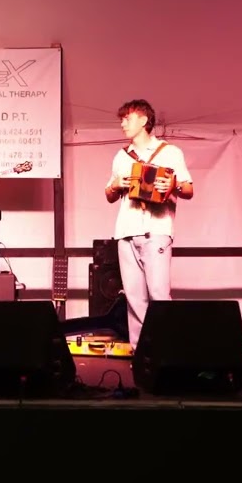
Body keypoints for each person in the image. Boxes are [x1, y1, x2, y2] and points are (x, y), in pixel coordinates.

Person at [103, 99, 193, 349]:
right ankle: (141, 352)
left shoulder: (170, 152)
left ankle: (166, 351)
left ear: (143, 120)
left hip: (157, 230)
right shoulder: (121, 157)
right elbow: (109, 195)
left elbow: (188, 188)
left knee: (159, 296)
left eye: (127, 118)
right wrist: (116, 185)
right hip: (126, 232)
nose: (122, 124)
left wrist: (172, 185)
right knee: (134, 298)